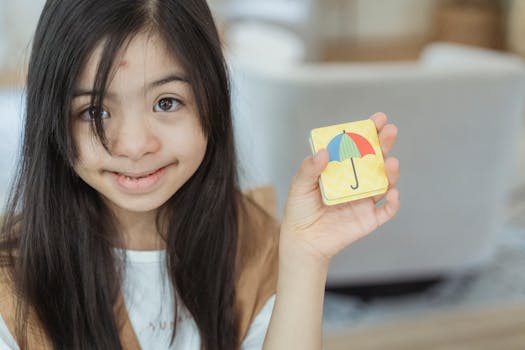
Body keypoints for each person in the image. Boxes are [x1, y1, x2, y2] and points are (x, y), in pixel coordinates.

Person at [0, 0, 400, 349]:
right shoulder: (8, 279)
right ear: (49, 121)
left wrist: (305, 259)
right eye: (94, 112)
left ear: (212, 101)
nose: (135, 145)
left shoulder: (252, 238)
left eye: (167, 102)